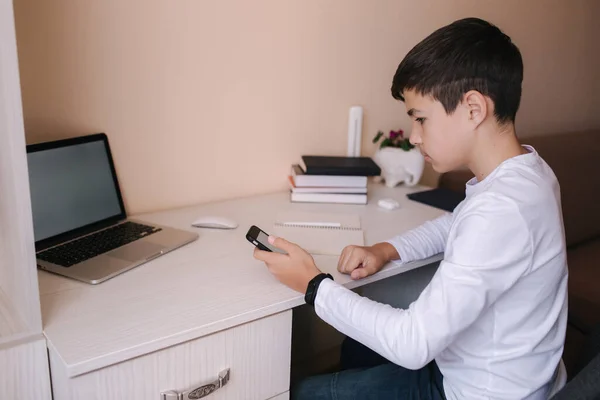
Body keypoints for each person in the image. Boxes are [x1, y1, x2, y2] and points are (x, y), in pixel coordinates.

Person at [254, 17, 568, 400]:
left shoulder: (502, 210)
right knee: (358, 341)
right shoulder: (527, 173)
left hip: (474, 391)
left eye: (421, 119)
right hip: (509, 373)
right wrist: (387, 249)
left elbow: (414, 343)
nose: (415, 137)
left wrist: (313, 285)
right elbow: (457, 224)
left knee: (296, 392)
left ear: (473, 108)